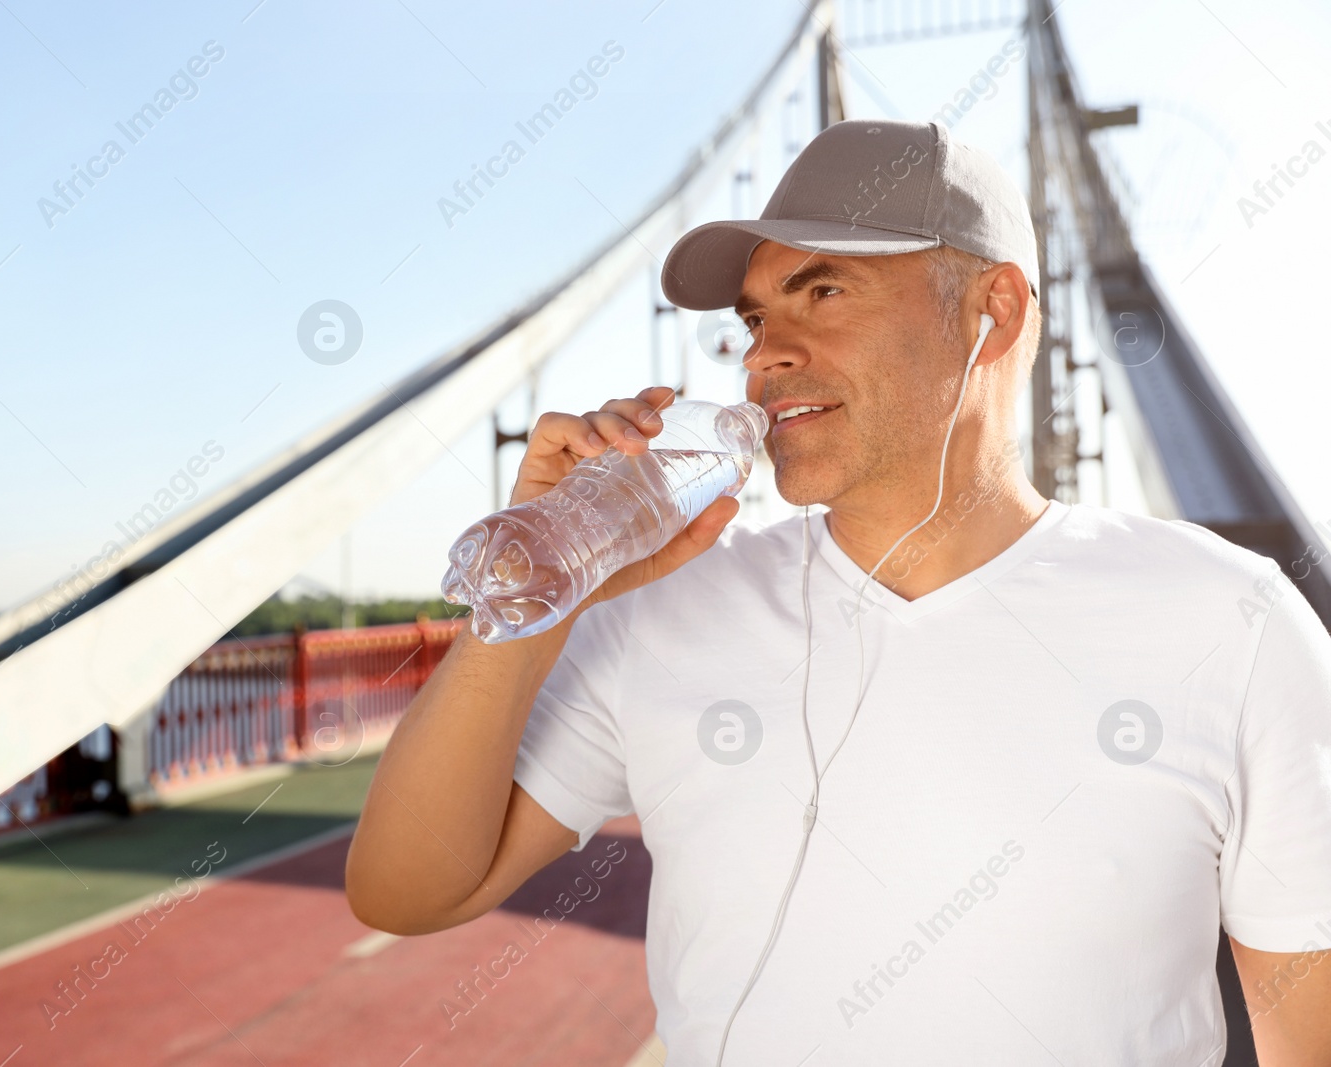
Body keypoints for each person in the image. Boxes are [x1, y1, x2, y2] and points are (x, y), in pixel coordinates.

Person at [345, 119, 1331, 1064]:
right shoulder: (664, 612)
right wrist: (539, 588)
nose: (763, 352)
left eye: (822, 292)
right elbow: (407, 890)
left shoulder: (1228, 622)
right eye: (753, 316)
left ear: (996, 311)